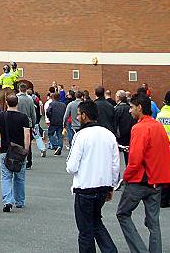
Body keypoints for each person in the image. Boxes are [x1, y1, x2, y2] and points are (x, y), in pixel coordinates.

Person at [116, 93, 170, 253]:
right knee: (153, 222)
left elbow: (135, 159)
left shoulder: (139, 128)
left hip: (139, 180)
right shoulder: (158, 126)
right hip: (157, 181)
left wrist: (125, 177)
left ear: (139, 108)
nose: (130, 111)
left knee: (122, 213)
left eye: (132, 107)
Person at [66, 100, 120, 253]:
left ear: (84, 115)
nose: (77, 117)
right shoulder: (109, 134)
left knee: (85, 231)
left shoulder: (81, 135)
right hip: (103, 187)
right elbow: (115, 164)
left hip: (85, 188)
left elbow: (72, 167)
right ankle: (110, 250)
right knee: (96, 221)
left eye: (78, 114)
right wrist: (112, 186)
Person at [0, 93, 31, 212]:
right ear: (17, 103)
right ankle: (19, 201)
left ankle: (7, 201)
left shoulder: (1, 116)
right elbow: (27, 135)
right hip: (19, 150)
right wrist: (26, 149)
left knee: (6, 176)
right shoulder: (23, 117)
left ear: (6, 103)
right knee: (20, 177)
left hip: (5, 149)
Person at [17, 84, 39, 167]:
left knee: (18, 142)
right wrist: (33, 123)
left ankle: (19, 160)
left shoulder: (16, 98)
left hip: (17, 122)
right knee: (28, 142)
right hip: (27, 122)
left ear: (19, 89)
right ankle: (29, 161)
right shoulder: (30, 99)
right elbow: (33, 113)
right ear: (26, 89)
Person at [113, 90, 134, 165]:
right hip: (130, 135)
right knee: (128, 157)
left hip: (120, 136)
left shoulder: (117, 109)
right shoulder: (130, 108)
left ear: (118, 97)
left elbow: (115, 124)